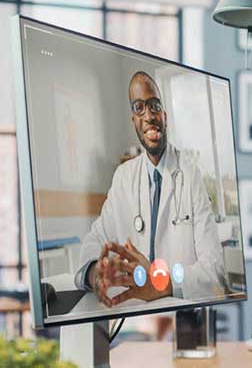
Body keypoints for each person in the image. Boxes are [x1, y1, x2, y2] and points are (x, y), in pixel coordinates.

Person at [75, 71, 227, 307]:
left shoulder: (190, 175)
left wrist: (161, 282)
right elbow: (94, 240)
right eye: (139, 108)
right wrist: (97, 272)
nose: (148, 115)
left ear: (165, 117)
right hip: (134, 316)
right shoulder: (123, 176)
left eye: (154, 106)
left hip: (179, 313)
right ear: (133, 120)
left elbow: (214, 268)